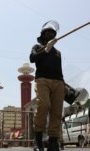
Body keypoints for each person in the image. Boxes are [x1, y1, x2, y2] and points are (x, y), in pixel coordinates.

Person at [30, 20, 65, 151]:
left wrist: (64, 85)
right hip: (42, 80)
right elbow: (32, 58)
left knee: (56, 112)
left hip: (58, 82)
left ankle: (53, 141)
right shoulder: (37, 47)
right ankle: (37, 139)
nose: (50, 33)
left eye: (52, 32)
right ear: (42, 35)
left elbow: (59, 70)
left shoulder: (58, 52)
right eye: (47, 32)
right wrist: (46, 49)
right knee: (43, 105)